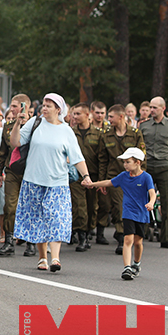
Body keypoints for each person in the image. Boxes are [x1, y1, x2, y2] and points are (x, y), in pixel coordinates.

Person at [10, 94, 92, 272]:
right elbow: (15, 142)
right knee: (39, 220)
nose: (44, 108)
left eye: (49, 106)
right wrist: (18, 123)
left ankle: (55, 258)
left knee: (57, 219)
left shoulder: (66, 131)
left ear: (58, 109)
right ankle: (42, 258)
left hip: (58, 183)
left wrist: (85, 175)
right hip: (33, 180)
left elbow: (77, 157)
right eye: (44, 105)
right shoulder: (35, 123)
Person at [87, 148, 156, 279]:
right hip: (128, 212)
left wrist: (151, 203)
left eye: (128, 162)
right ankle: (127, 268)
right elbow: (109, 182)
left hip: (142, 213)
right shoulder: (124, 176)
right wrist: (92, 184)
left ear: (137, 162)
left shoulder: (146, 177)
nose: (125, 165)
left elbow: (152, 193)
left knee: (138, 242)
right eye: (124, 162)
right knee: (128, 239)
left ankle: (136, 263)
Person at [98, 104, 146, 254]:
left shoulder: (135, 133)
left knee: (127, 206)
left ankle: (124, 235)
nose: (108, 119)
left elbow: (142, 156)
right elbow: (102, 159)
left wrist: (143, 177)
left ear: (121, 117)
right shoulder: (106, 134)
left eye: (111, 116)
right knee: (119, 206)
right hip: (115, 175)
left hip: (133, 177)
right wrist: (102, 180)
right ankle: (122, 236)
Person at [0, 94, 31, 257]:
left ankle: (31, 242)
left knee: (30, 207)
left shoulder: (35, 125)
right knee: (10, 207)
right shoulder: (8, 127)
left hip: (31, 172)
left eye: (17, 106)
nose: (13, 109)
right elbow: (3, 152)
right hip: (12, 171)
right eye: (12, 106)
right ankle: (9, 241)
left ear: (26, 107)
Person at [139, 97, 168, 249]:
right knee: (143, 200)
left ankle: (165, 237)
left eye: (154, 107)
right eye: (150, 107)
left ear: (163, 108)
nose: (152, 110)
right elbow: (138, 148)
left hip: (165, 167)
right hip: (147, 167)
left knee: (167, 202)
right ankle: (142, 233)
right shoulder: (144, 126)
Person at [69, 103, 102, 252]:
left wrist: (101, 179)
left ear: (87, 115)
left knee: (92, 206)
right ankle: (81, 236)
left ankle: (89, 232)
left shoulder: (98, 133)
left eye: (78, 114)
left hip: (93, 174)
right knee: (79, 205)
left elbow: (102, 157)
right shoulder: (70, 132)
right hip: (76, 175)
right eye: (73, 114)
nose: (75, 117)